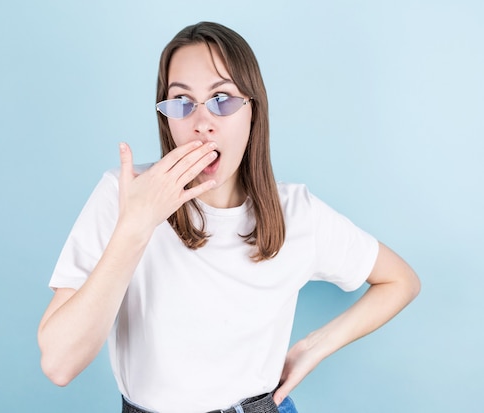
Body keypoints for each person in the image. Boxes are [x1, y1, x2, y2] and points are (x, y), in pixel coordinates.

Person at [37, 21, 420, 413]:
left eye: (222, 98)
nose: (201, 122)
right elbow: (59, 364)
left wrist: (315, 347)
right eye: (182, 102)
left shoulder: (297, 214)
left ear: (253, 111)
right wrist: (136, 226)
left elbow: (401, 280)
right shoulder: (122, 197)